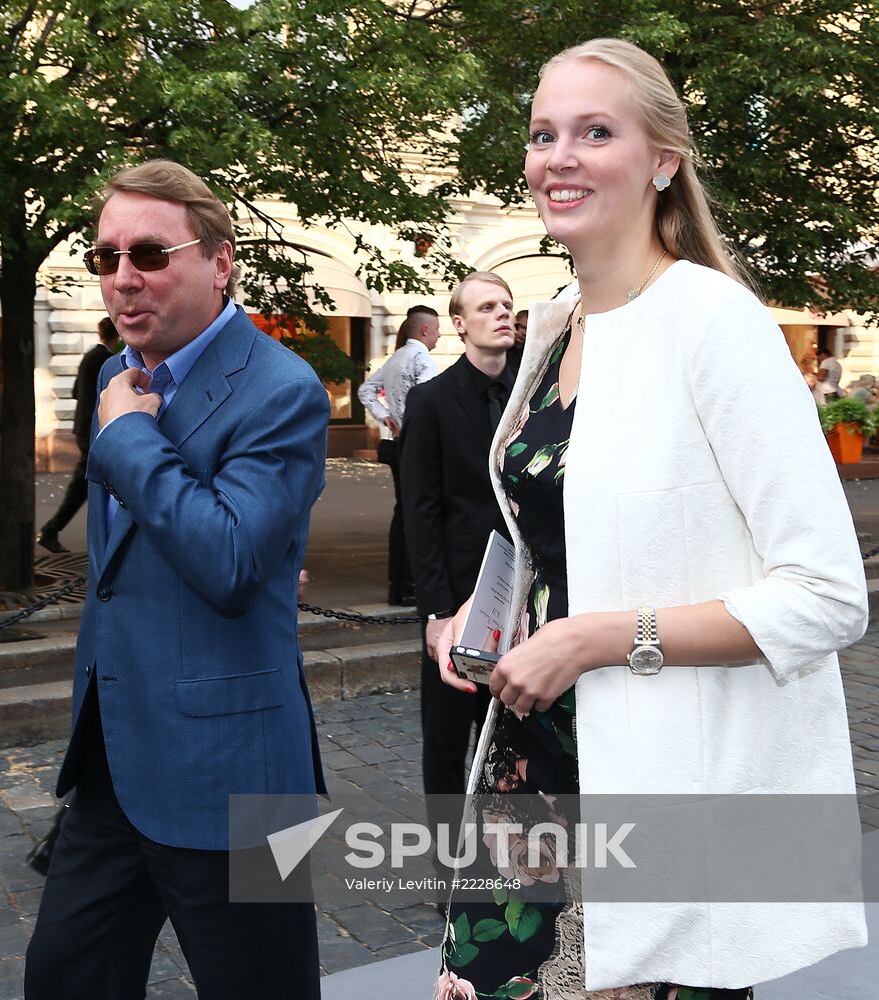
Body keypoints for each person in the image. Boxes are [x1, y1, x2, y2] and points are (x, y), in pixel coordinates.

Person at [434, 38, 867, 1000]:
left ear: (662, 159)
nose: (561, 157)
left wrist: (594, 639)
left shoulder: (714, 323)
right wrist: (482, 615)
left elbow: (828, 598)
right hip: (529, 773)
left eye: (596, 131)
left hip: (660, 795)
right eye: (545, 133)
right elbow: (550, 531)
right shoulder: (551, 331)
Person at [23, 159, 329, 1000]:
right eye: (105, 257)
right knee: (63, 978)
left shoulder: (284, 388)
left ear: (220, 261)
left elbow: (229, 564)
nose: (122, 279)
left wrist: (126, 440)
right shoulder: (118, 379)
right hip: (115, 759)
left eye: (150, 254)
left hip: (244, 771)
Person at [399, 272, 515, 899]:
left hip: (530, 591)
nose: (501, 314)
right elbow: (420, 510)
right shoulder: (434, 400)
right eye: (485, 307)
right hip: (461, 593)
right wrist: (437, 610)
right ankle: (450, 875)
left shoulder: (538, 388)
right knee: (449, 740)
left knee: (517, 731)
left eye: (506, 305)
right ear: (460, 323)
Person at [358, 304, 441, 604]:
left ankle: (400, 584)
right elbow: (428, 404)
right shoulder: (422, 360)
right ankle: (410, 584)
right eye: (437, 329)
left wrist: (387, 417)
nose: (439, 335)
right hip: (417, 444)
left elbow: (365, 391)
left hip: (397, 441)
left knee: (403, 513)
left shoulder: (396, 359)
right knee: (417, 514)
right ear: (424, 330)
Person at [37, 317, 120, 553]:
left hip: (83, 427)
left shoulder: (90, 356)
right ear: (118, 334)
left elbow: (75, 391)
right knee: (86, 485)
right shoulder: (105, 359)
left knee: (90, 484)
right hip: (94, 430)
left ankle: (54, 530)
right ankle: (52, 530)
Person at [506, 308, 528, 373]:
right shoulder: (501, 350)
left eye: (528, 330)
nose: (525, 333)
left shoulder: (529, 352)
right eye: (523, 327)